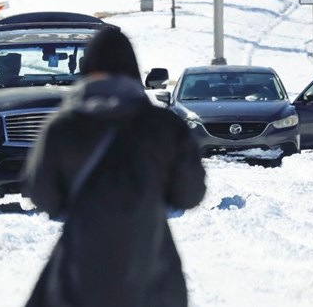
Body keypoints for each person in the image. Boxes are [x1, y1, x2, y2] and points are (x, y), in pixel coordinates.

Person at [23, 28, 207, 307]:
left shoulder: (63, 127)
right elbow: (190, 194)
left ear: (87, 69)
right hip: (152, 272)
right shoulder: (165, 126)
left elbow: (42, 194)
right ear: (132, 69)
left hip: (80, 276)